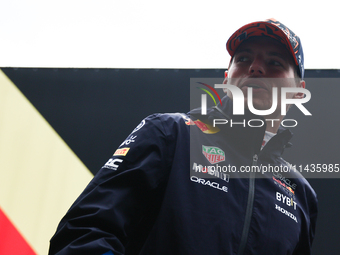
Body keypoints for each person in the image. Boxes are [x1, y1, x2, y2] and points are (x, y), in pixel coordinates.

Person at [49, 18, 318, 255]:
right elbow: (84, 232)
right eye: (244, 59)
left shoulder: (300, 193)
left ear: (298, 92)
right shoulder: (171, 133)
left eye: (274, 62)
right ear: (227, 79)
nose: (255, 68)